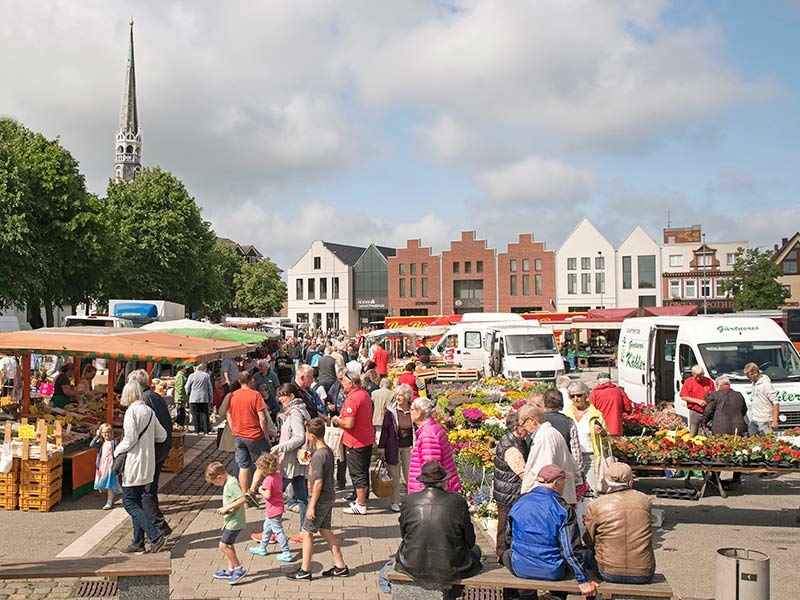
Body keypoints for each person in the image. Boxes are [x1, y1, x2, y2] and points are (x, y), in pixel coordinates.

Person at [502, 464, 597, 600]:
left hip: (520, 567)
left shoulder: (519, 501)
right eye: (564, 481)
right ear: (556, 483)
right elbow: (570, 550)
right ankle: (557, 597)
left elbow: (509, 536)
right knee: (580, 556)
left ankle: (526, 595)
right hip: (552, 570)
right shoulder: (562, 509)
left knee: (508, 555)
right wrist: (583, 580)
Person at [396, 460, 482, 583]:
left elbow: (404, 535)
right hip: (451, 567)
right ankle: (454, 591)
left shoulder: (408, 501)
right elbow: (470, 541)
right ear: (443, 482)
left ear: (423, 483)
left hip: (412, 565)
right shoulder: (458, 501)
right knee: (476, 551)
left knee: (388, 570)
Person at [286, 417, 350, 581]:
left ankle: (305, 569)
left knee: (307, 532)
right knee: (325, 530)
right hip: (329, 496)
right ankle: (340, 566)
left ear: (312, 436)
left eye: (307, 433)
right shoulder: (326, 451)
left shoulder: (319, 456)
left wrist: (311, 506)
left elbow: (318, 483)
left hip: (320, 499)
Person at [115, 381, 168, 555]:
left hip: (134, 462)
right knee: (137, 500)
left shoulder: (131, 412)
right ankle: (138, 542)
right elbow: (162, 435)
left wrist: (117, 450)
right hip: (148, 462)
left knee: (129, 502)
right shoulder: (149, 411)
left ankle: (155, 536)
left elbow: (129, 439)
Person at [583, 463, 655, 584]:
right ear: (630, 482)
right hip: (643, 572)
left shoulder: (596, 504)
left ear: (607, 481)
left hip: (608, 572)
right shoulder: (645, 500)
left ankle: (590, 588)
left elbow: (589, 540)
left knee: (588, 553)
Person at [129, 369, 174, 538]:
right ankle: (149, 529)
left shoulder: (144, 400)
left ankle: (159, 526)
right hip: (162, 445)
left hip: (153, 448)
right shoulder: (155, 396)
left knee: (144, 491)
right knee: (150, 488)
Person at [518, 404, 583, 505]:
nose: (522, 429)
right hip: (555, 498)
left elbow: (545, 472)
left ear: (532, 420)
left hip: (548, 501)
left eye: (522, 424)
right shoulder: (550, 433)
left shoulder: (546, 437)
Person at [271, 383, 311, 543]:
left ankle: (272, 532)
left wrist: (279, 447)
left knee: (274, 495)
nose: (280, 400)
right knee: (301, 497)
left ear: (291, 396)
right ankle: (304, 531)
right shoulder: (300, 409)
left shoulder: (295, 412)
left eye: (283, 397)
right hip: (296, 462)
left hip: (290, 462)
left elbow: (299, 437)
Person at [332, 371, 375, 515]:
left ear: (350, 383)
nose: (342, 385)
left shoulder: (353, 398)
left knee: (357, 473)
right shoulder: (364, 394)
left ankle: (361, 504)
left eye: (343, 382)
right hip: (366, 438)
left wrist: (337, 420)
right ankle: (361, 499)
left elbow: (349, 423)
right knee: (363, 470)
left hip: (355, 441)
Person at [227, 371, 271, 505]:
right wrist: (264, 433)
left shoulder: (233, 395)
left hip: (239, 435)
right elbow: (262, 418)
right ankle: (251, 490)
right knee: (263, 462)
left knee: (243, 466)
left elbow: (229, 416)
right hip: (255, 435)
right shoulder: (255, 395)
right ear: (251, 380)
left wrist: (234, 430)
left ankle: (244, 496)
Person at [492, 411, 530, 559]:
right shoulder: (511, 448)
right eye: (523, 425)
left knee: (505, 523)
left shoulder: (516, 440)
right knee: (505, 525)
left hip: (507, 490)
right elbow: (523, 473)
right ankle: (502, 554)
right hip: (509, 493)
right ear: (516, 428)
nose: (527, 428)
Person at [204, 461, 248, 585]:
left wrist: (226, 508)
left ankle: (239, 568)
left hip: (235, 522)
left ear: (219, 477)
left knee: (223, 545)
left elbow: (242, 499)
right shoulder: (229, 482)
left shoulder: (231, 484)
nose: (215, 485)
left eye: (214, 483)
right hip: (231, 520)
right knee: (229, 544)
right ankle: (231, 569)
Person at [407, 397, 461, 495]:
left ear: (418, 413)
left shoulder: (428, 435)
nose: (409, 412)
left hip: (430, 494)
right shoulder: (433, 429)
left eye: (411, 409)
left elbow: (431, 470)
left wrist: (429, 495)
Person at [248, 452, 294, 562]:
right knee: (267, 528)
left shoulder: (268, 480)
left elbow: (267, 495)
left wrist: (260, 490)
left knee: (278, 531)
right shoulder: (277, 475)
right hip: (277, 507)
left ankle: (286, 552)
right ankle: (262, 547)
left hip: (273, 509)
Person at [377, 382, 415, 512]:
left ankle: (412, 500)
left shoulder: (413, 410)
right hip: (393, 447)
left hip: (409, 447)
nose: (398, 397)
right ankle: (395, 501)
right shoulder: (390, 412)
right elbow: (385, 430)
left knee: (410, 475)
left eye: (401, 395)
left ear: (407, 396)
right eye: (397, 395)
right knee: (395, 475)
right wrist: (381, 448)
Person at [564, 381, 607, 491]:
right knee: (574, 492)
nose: (575, 399)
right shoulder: (567, 415)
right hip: (572, 458)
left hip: (590, 457)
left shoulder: (595, 414)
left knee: (592, 490)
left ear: (585, 395)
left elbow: (606, 438)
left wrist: (602, 432)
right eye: (572, 396)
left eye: (578, 395)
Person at [542, 388, 583, 474]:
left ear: (544, 402)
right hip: (564, 468)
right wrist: (578, 472)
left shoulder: (537, 421)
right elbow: (575, 451)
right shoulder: (568, 422)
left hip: (543, 468)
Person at [90, 423, 121, 510]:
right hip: (102, 466)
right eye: (104, 432)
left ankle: (109, 501)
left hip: (111, 466)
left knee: (109, 484)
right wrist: (97, 436)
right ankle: (114, 493)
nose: (106, 434)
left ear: (111, 432)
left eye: (108, 432)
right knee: (106, 483)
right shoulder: (101, 443)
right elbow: (92, 444)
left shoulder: (114, 442)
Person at [679, 365, 715, 436]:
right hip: (695, 411)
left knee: (709, 433)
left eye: (700, 376)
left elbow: (713, 394)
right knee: (693, 433)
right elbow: (684, 396)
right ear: (693, 374)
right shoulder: (688, 382)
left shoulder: (709, 381)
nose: (698, 378)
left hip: (708, 411)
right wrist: (697, 401)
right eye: (696, 376)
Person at [744, 362, 779, 435]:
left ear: (755, 373)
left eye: (749, 375)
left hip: (765, 419)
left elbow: (775, 403)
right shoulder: (754, 384)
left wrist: (775, 420)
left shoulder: (766, 385)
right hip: (754, 419)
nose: (748, 378)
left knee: (767, 440)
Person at [185, 363, 213, 434]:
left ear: (195, 368)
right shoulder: (206, 375)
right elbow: (210, 388)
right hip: (204, 397)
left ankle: (197, 430)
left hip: (194, 397)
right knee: (204, 414)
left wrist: (187, 394)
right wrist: (211, 398)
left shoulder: (191, 376)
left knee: (195, 414)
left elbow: (187, 387)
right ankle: (206, 430)